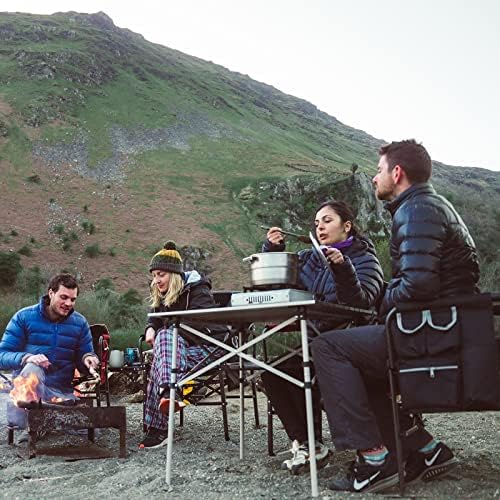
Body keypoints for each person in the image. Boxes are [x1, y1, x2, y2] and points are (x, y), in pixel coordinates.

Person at [312, 139, 480, 493]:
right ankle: (427, 450)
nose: (375, 178)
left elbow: (417, 285)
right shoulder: (422, 206)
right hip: (445, 324)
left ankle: (374, 459)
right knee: (357, 358)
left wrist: (381, 304)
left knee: (328, 348)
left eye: (378, 170)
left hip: (434, 331)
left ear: (397, 173)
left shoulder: (417, 210)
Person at [260, 200, 384, 474]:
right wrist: (273, 251)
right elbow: (279, 288)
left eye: (327, 220)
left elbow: (362, 303)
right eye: (317, 223)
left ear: (347, 226)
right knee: (273, 371)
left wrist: (343, 268)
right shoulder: (308, 258)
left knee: (304, 369)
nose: (320, 227)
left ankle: (369, 450)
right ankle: (309, 445)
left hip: (350, 346)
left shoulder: (364, 258)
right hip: (316, 341)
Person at [140, 241, 227, 449]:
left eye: (161, 274)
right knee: (163, 347)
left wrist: (166, 333)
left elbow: (201, 324)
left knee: (165, 342)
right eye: (154, 275)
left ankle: (158, 428)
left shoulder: (198, 290)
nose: (156, 280)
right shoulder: (163, 295)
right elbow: (155, 317)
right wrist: (150, 327)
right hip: (178, 355)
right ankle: (170, 393)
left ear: (174, 274)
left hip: (209, 349)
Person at [0, 273, 99, 429]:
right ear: (51, 293)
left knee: (82, 430)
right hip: (27, 392)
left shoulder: (80, 323)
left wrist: (89, 359)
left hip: (61, 393)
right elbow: (2, 355)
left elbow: (85, 356)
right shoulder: (24, 317)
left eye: (73, 300)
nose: (68, 303)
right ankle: (29, 424)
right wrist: (26, 357)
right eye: (64, 297)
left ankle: (44, 423)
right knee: (33, 367)